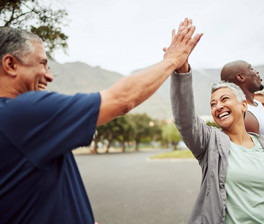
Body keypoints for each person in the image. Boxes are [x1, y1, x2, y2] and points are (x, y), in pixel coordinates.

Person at [0, 18, 202, 223]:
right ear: (10, 64)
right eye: (42, 64)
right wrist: (172, 60)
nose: (49, 76)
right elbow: (122, 99)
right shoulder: (21, 114)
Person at [170, 59, 264, 223]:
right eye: (213, 104)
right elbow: (186, 121)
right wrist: (182, 73)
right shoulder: (210, 142)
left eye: (224, 99)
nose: (218, 106)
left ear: (243, 105)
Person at [220, 60, 264, 147]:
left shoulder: (257, 104)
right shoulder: (246, 115)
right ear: (241, 77)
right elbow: (254, 154)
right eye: (251, 69)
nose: (257, 72)